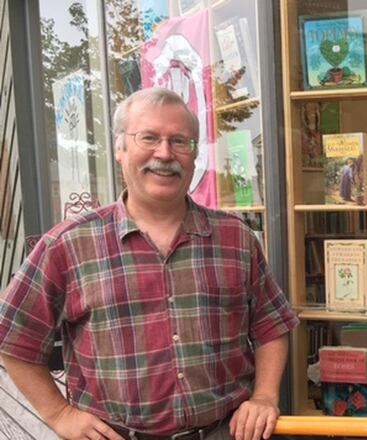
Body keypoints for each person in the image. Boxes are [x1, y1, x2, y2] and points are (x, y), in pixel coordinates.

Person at [0, 88, 299, 440]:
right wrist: (59, 414)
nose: (165, 153)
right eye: (149, 138)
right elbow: (13, 338)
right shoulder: (68, 245)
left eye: (179, 141)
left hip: (224, 431)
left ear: (194, 154)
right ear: (119, 148)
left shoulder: (236, 238)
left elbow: (270, 325)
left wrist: (264, 396)